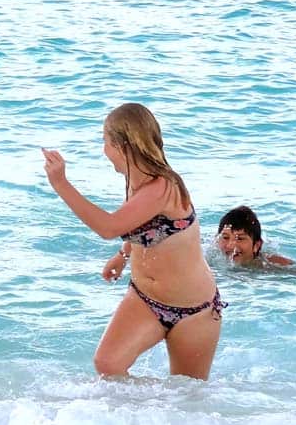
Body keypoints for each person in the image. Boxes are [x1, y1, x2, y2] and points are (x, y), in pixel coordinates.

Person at [42, 103, 226, 381]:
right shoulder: (134, 180)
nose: (104, 151)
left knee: (187, 397)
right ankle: (145, 410)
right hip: (145, 299)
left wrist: (61, 184)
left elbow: (109, 226)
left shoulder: (163, 187)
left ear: (123, 146)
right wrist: (123, 253)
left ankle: (159, 407)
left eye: (105, 142)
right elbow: (140, 224)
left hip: (193, 312)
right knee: (108, 363)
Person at [216, 206, 294, 266]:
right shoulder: (208, 260)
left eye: (240, 238)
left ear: (257, 245)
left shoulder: (274, 265)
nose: (230, 245)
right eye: (225, 237)